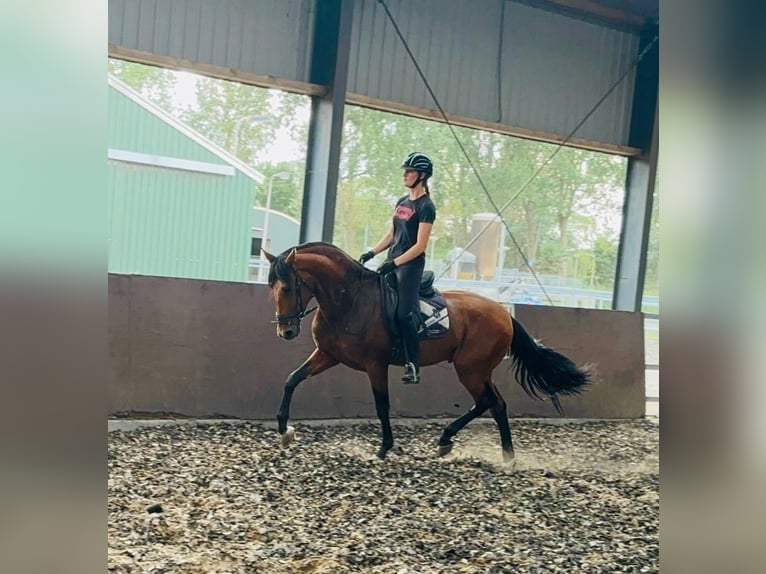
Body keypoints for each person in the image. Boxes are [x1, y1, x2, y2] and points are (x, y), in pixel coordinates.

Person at [359, 152, 436, 384]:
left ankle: (412, 364)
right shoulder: (402, 202)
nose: (405, 174)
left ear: (421, 176)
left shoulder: (426, 206)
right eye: (405, 171)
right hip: (392, 261)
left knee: (404, 314)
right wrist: (372, 252)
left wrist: (395, 263)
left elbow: (420, 245)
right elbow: (392, 234)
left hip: (410, 267)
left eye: (409, 171)